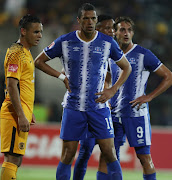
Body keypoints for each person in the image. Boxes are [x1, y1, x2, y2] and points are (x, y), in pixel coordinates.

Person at [34, 3, 131, 180]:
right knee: (68, 155)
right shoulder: (65, 41)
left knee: (109, 153)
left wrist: (113, 90)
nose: (90, 22)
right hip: (73, 106)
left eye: (93, 18)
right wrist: (62, 77)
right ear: (78, 20)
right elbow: (38, 61)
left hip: (99, 107)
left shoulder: (107, 42)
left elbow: (126, 67)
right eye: (86, 18)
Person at [74, 16, 172, 180]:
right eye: (122, 30)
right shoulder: (110, 53)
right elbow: (106, 77)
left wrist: (149, 96)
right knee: (107, 156)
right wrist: (106, 90)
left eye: (129, 30)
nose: (126, 33)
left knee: (144, 158)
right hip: (113, 116)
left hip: (136, 115)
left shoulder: (143, 54)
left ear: (132, 33)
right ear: (115, 32)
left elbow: (168, 76)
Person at [72, 14, 117, 180]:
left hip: (113, 111)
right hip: (93, 108)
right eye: (107, 28)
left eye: (113, 28)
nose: (112, 31)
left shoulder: (114, 49)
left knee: (109, 155)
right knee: (85, 152)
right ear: (98, 28)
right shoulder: (90, 49)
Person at [0, 14, 43, 180]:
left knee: (16, 159)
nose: (40, 35)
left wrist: (26, 110)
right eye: (36, 32)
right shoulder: (17, 53)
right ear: (23, 32)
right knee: (12, 158)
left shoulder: (26, 52)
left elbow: (22, 86)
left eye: (40, 32)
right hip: (13, 114)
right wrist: (20, 114)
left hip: (20, 112)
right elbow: (11, 85)